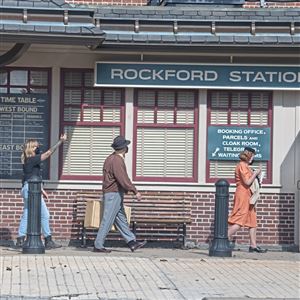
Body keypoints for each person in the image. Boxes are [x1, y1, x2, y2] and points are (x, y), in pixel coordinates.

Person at [93, 135, 147, 253]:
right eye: (126, 146)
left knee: (120, 218)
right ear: (123, 148)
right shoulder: (117, 160)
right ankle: (98, 244)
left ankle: (132, 242)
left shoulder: (110, 158)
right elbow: (123, 178)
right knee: (107, 219)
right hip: (113, 193)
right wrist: (135, 191)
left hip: (113, 193)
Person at [16, 133, 67, 249]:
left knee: (27, 213)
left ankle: (20, 238)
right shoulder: (31, 159)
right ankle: (48, 240)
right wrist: (60, 141)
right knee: (44, 214)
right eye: (35, 147)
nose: (37, 148)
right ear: (31, 148)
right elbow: (48, 153)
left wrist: (41, 189)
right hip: (31, 189)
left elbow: (30, 176)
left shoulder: (27, 160)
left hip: (28, 188)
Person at [228, 146, 267, 253]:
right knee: (239, 220)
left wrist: (257, 176)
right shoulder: (242, 166)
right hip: (242, 194)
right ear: (248, 155)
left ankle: (253, 246)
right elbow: (247, 182)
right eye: (252, 156)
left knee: (252, 221)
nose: (253, 158)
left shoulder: (247, 166)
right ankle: (222, 239)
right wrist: (255, 173)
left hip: (250, 195)